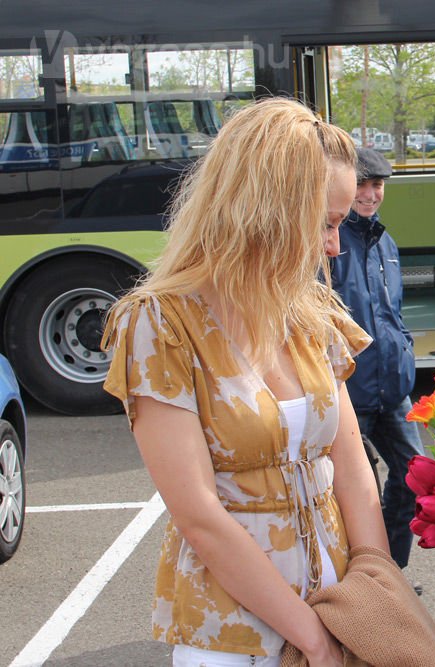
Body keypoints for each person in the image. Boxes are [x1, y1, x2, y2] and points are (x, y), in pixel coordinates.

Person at [102, 98, 389, 667]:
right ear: (268, 212)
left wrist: (375, 600)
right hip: (232, 634)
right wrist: (311, 639)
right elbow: (198, 515)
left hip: (337, 610)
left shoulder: (310, 312)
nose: (335, 246)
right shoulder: (160, 323)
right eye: (327, 223)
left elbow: (353, 466)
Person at [328, 147, 425, 576]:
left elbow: (393, 313)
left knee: (415, 478)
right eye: (361, 186)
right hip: (349, 392)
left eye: (377, 185)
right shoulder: (328, 241)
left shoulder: (385, 242)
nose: (369, 194)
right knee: (355, 494)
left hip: (393, 391)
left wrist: (403, 350)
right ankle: (356, 580)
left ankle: (389, 575)